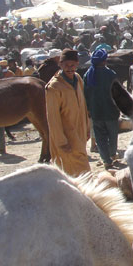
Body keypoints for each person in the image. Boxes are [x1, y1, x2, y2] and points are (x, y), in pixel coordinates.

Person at [45, 49, 91, 177]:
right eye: (66, 65)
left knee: (78, 170)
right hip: (66, 137)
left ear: (77, 64)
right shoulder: (54, 87)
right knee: (74, 171)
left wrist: (87, 128)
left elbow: (83, 106)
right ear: (60, 64)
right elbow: (53, 118)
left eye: (72, 65)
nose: (69, 68)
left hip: (79, 132)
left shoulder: (78, 79)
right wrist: (61, 141)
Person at [83, 49, 120, 170]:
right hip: (111, 111)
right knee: (112, 135)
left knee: (100, 137)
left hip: (95, 112)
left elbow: (85, 94)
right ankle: (113, 154)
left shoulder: (88, 75)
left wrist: (88, 109)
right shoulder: (111, 74)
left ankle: (106, 160)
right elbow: (117, 93)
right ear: (105, 61)